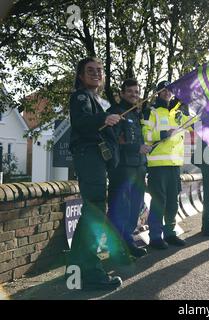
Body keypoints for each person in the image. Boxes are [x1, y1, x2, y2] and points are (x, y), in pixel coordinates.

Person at [68, 57, 124, 290]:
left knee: (93, 211)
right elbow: (81, 123)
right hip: (88, 157)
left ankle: (77, 270)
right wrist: (104, 118)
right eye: (90, 70)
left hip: (94, 159)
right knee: (96, 211)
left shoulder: (96, 99)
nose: (96, 74)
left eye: (100, 70)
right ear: (80, 76)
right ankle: (90, 272)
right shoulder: (81, 96)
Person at [141, 80, 190, 250]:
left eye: (169, 90)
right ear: (158, 92)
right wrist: (163, 133)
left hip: (174, 165)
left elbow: (194, 123)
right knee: (158, 202)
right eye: (163, 90)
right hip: (157, 165)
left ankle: (170, 234)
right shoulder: (151, 111)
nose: (166, 93)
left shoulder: (178, 114)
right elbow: (145, 135)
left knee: (172, 202)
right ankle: (155, 237)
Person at [107, 79, 150, 258]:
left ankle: (128, 242)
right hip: (122, 168)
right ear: (122, 93)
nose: (134, 94)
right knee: (120, 209)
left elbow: (137, 140)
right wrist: (136, 148)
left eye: (136, 91)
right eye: (130, 91)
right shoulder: (116, 112)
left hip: (138, 167)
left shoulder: (136, 113)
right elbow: (113, 141)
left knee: (134, 208)